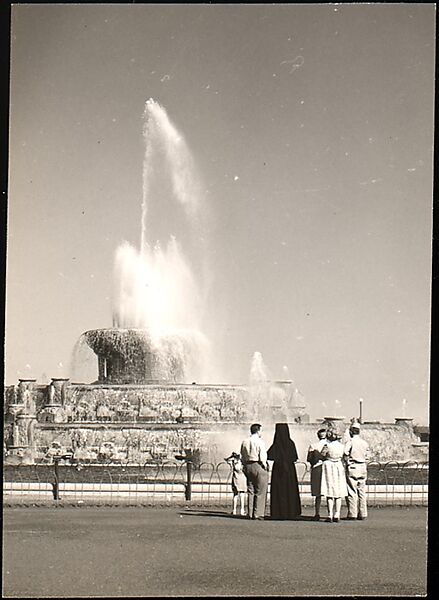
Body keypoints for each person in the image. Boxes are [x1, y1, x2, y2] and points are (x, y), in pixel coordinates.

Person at [267, 423, 301, 520]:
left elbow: (269, 455)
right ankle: (291, 512)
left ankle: (278, 512)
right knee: (290, 490)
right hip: (289, 470)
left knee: (278, 491)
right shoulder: (290, 443)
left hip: (278, 470)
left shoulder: (276, 444)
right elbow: (295, 457)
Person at [240, 423, 269, 520]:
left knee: (250, 489)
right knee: (261, 490)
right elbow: (262, 455)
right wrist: (264, 465)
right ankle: (258, 513)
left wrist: (244, 464)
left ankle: (250, 512)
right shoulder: (260, 441)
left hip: (248, 465)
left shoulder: (245, 441)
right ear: (258, 431)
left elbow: (242, 454)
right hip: (258, 464)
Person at [320, 428, 348, 522]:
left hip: (329, 465)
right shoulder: (342, 446)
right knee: (338, 492)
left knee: (329, 491)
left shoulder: (327, 445)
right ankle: (337, 514)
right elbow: (345, 457)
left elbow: (322, 455)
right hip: (338, 466)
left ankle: (330, 514)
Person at [344, 421, 370, 520]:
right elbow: (368, 456)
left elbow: (345, 453)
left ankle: (352, 513)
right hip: (362, 467)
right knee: (362, 491)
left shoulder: (350, 442)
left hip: (353, 466)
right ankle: (363, 513)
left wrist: (347, 463)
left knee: (352, 490)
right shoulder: (364, 443)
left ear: (351, 431)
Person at [306, 428, 327, 521]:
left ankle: (317, 513)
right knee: (330, 492)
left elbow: (309, 459)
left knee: (317, 493)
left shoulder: (313, 445)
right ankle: (332, 513)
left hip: (316, 468)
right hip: (327, 468)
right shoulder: (329, 445)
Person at [225, 452, 248, 516]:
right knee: (242, 495)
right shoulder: (242, 463)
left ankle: (234, 510)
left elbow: (227, 460)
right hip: (242, 479)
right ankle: (242, 510)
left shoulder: (233, 463)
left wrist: (231, 456)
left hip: (235, 479)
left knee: (235, 495)